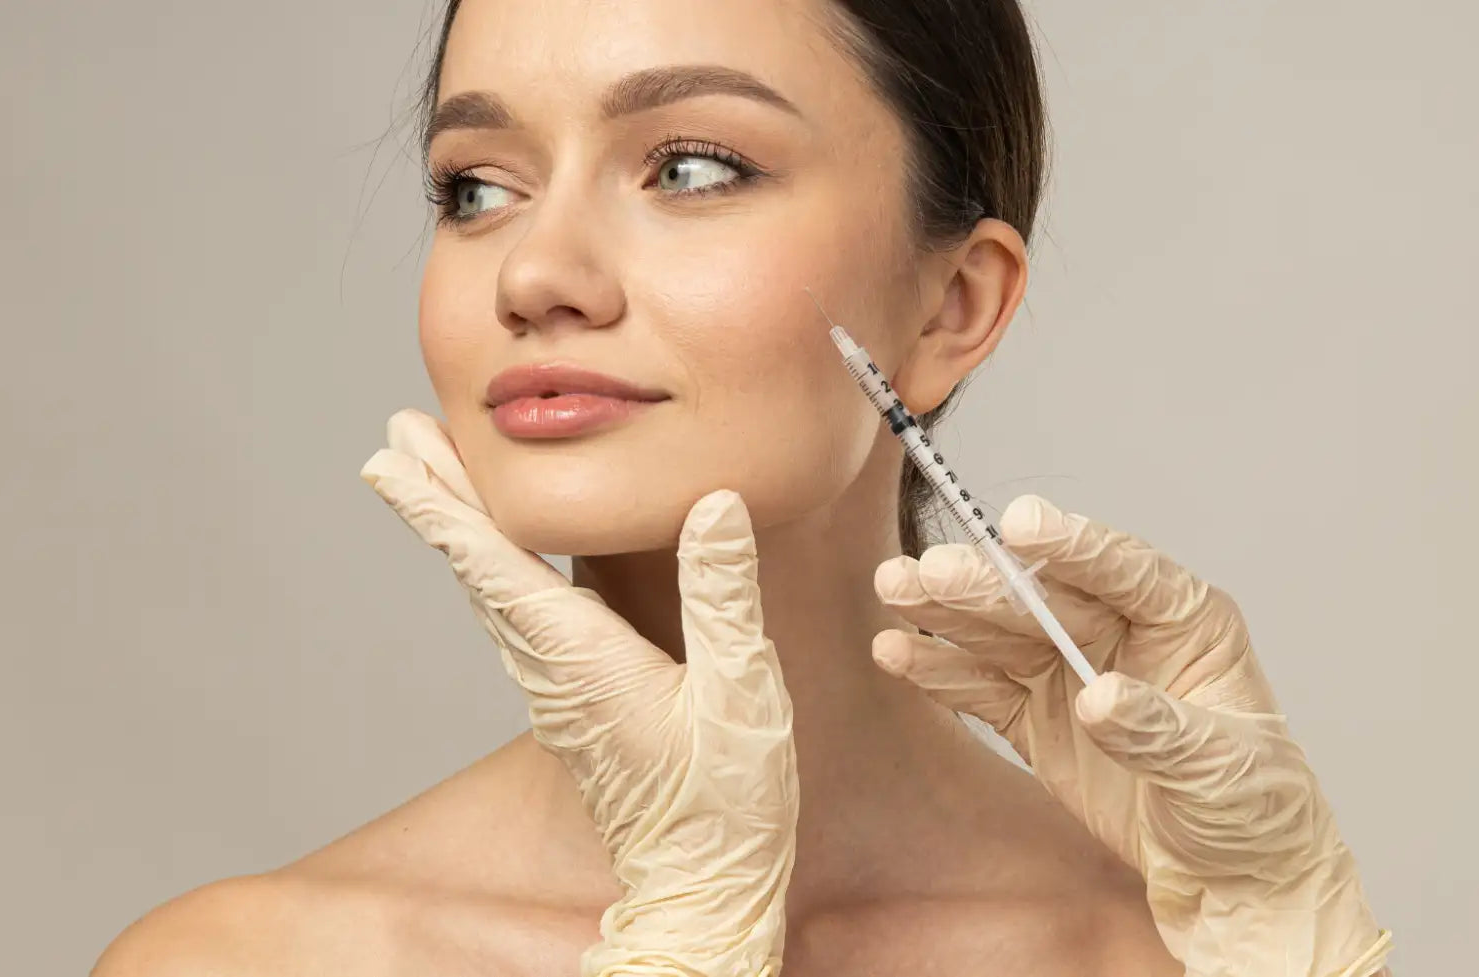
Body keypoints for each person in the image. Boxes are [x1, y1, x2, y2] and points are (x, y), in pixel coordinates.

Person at [95, 0, 1391, 973]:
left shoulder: (1173, 956)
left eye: (691, 168)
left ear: (952, 302)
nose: (535, 271)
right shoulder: (245, 962)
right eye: (475, 187)